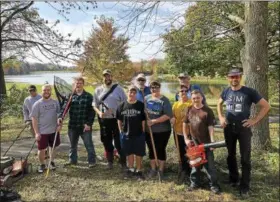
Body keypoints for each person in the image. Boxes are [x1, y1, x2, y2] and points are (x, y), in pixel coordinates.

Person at [217, 69, 270, 196]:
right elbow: (219, 103)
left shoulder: (249, 91)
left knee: (245, 158)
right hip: (229, 127)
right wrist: (221, 117)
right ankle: (233, 179)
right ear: (228, 78)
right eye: (232, 77)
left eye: (237, 76)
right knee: (230, 155)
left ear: (240, 77)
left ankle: (244, 185)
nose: (234, 79)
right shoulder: (226, 91)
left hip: (243, 128)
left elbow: (266, 106)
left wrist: (254, 120)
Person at [183, 90, 221, 194]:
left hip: (206, 144)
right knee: (195, 165)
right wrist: (186, 138)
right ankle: (194, 184)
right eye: (194, 98)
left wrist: (212, 142)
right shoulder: (189, 109)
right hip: (194, 144)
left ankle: (214, 185)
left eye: (198, 97)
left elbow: (210, 127)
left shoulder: (207, 111)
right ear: (192, 99)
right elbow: (185, 124)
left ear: (202, 97)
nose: (196, 100)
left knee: (210, 166)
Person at [58, 77, 97, 168]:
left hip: (84, 126)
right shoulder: (70, 96)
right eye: (76, 83)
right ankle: (73, 160)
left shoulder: (88, 96)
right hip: (73, 126)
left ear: (83, 84)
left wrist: (89, 124)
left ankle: (92, 161)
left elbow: (92, 112)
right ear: (74, 85)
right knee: (73, 145)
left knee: (89, 145)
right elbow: (64, 108)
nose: (78, 85)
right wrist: (60, 117)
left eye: (80, 83)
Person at [93, 69, 127, 169]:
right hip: (104, 120)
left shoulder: (118, 89)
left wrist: (119, 113)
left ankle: (123, 163)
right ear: (103, 77)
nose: (107, 78)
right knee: (106, 141)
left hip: (116, 120)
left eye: (109, 76)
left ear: (112, 77)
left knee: (119, 141)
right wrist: (100, 113)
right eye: (105, 76)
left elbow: (125, 103)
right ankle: (110, 162)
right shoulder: (98, 90)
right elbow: (94, 104)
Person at [116, 85, 146, 180]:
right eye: (130, 92)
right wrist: (121, 130)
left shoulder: (140, 105)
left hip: (138, 133)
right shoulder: (121, 105)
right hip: (126, 133)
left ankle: (139, 170)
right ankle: (131, 169)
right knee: (129, 152)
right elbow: (119, 120)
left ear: (136, 94)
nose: (132, 94)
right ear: (127, 92)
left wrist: (143, 131)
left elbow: (143, 120)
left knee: (138, 153)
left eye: (134, 92)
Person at [145, 81, 173, 179]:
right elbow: (144, 112)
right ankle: (153, 169)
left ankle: (161, 170)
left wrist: (154, 121)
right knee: (151, 150)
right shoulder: (146, 98)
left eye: (156, 87)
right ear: (150, 88)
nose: (154, 89)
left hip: (163, 130)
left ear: (159, 88)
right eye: (152, 87)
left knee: (160, 149)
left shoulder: (164, 100)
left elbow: (168, 115)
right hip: (149, 131)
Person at [30, 84, 60, 173]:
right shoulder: (37, 104)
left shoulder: (55, 103)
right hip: (42, 131)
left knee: (53, 147)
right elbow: (34, 119)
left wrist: (60, 126)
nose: (46, 92)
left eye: (48, 90)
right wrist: (36, 132)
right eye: (44, 90)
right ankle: (42, 164)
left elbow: (60, 116)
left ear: (51, 91)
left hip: (54, 130)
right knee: (41, 149)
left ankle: (51, 162)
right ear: (41, 91)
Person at [170, 85, 192, 183]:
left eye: (185, 90)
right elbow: (172, 116)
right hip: (177, 132)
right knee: (180, 153)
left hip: (189, 134)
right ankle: (182, 170)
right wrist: (172, 119)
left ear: (188, 92)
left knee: (189, 153)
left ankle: (190, 172)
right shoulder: (175, 105)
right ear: (178, 93)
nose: (183, 92)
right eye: (181, 91)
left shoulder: (191, 103)